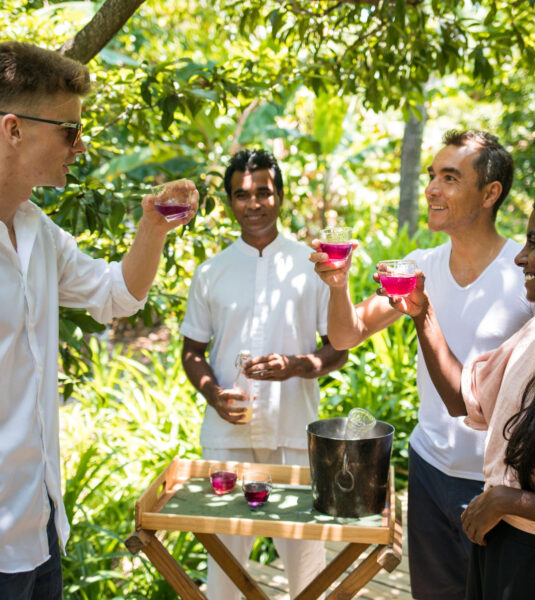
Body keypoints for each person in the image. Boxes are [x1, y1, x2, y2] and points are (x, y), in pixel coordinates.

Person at [310, 130, 535, 600]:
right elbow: (345, 335)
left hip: (499, 483)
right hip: (429, 469)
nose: (432, 189)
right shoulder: (418, 269)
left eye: (450, 177)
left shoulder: (527, 274)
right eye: (431, 176)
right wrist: (337, 285)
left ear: (490, 193)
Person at [0, 42, 198, 599]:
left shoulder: (38, 231)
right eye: (68, 131)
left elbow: (116, 295)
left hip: (39, 527)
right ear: (13, 129)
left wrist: (153, 229)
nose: (80, 146)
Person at [395, 183, 535, 599]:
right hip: (497, 544)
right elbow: (462, 398)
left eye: (534, 243)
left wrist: (509, 501)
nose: (521, 257)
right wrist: (423, 314)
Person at [181, 148, 348, 599]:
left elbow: (339, 349)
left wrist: (294, 366)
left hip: (294, 435)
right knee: (225, 567)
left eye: (263, 193)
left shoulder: (312, 267)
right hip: (226, 438)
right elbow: (192, 350)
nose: (253, 204)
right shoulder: (210, 272)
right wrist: (214, 393)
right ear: (230, 201)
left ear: (280, 196)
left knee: (306, 564)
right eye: (241, 194)